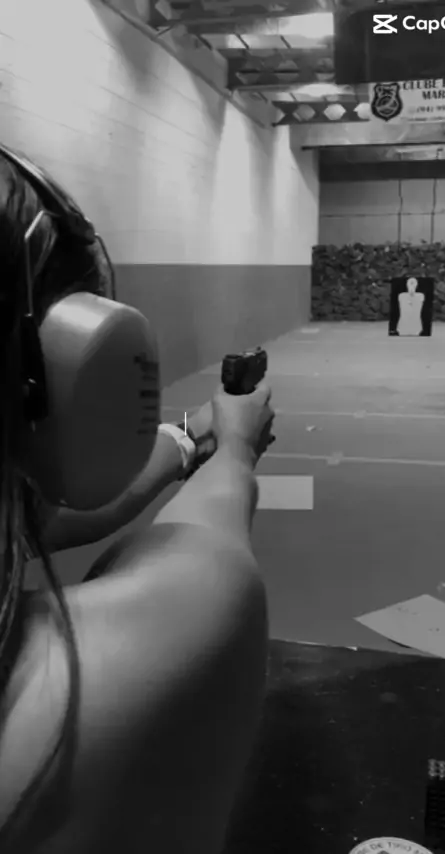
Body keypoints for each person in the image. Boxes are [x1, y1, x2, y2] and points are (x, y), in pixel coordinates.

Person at [0, 146, 275, 853]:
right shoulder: (110, 670)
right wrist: (234, 445)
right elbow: (201, 552)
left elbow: (32, 522)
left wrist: (184, 439)